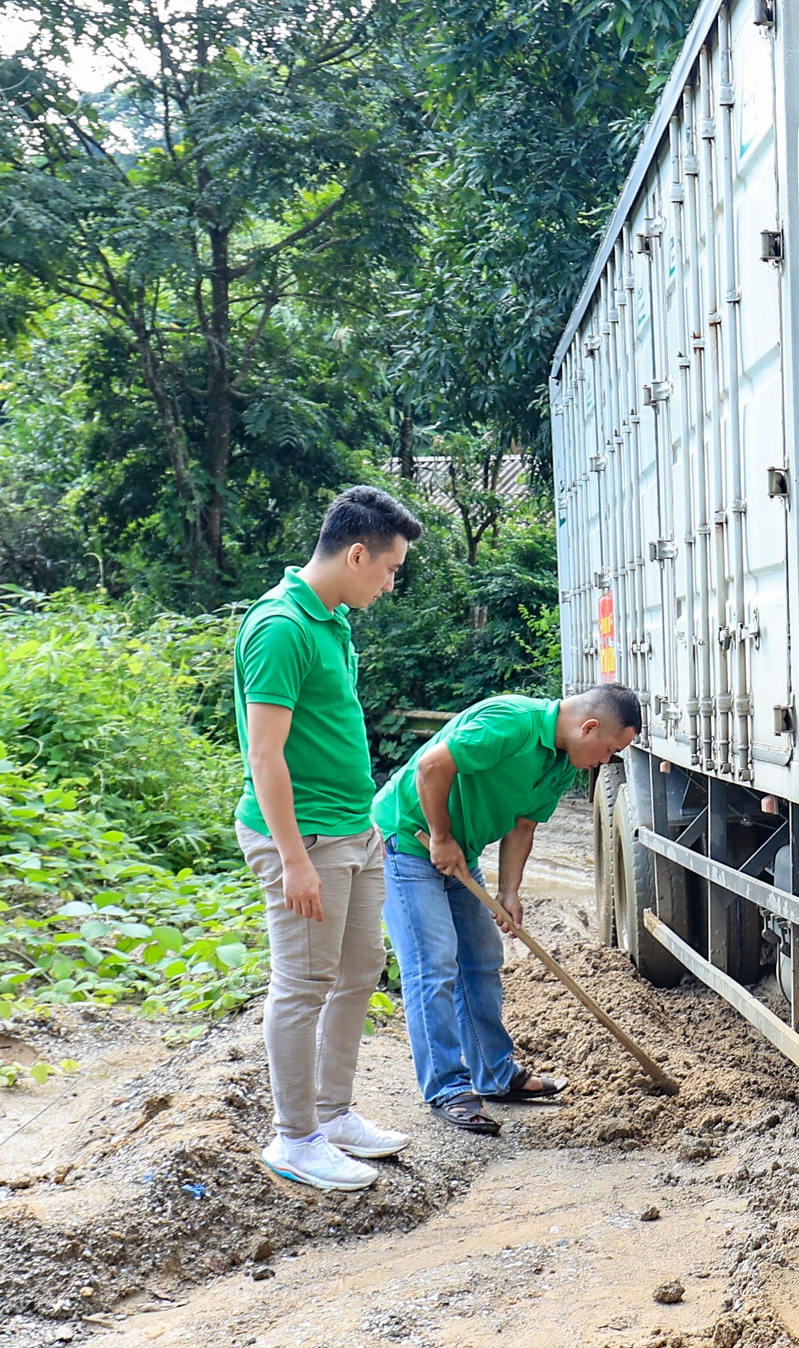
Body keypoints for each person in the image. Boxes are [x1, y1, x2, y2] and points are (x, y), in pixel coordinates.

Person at [234, 486, 426, 1193]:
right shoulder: (280, 627)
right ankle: (295, 1138)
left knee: (359, 970)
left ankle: (333, 1114)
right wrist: (293, 859)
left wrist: (366, 824)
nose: (391, 582)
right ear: (356, 554)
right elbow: (265, 756)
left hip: (354, 828)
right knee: (303, 984)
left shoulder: (334, 621)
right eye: (390, 568)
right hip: (307, 837)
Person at [372, 686, 645, 1135]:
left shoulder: (562, 763)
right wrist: (441, 838)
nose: (605, 761)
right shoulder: (510, 723)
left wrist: (510, 891)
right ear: (589, 727)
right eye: (609, 750)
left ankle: (495, 1074)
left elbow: (523, 825)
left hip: (460, 854)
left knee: (480, 959)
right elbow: (432, 766)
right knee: (432, 964)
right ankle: (446, 1087)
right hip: (409, 840)